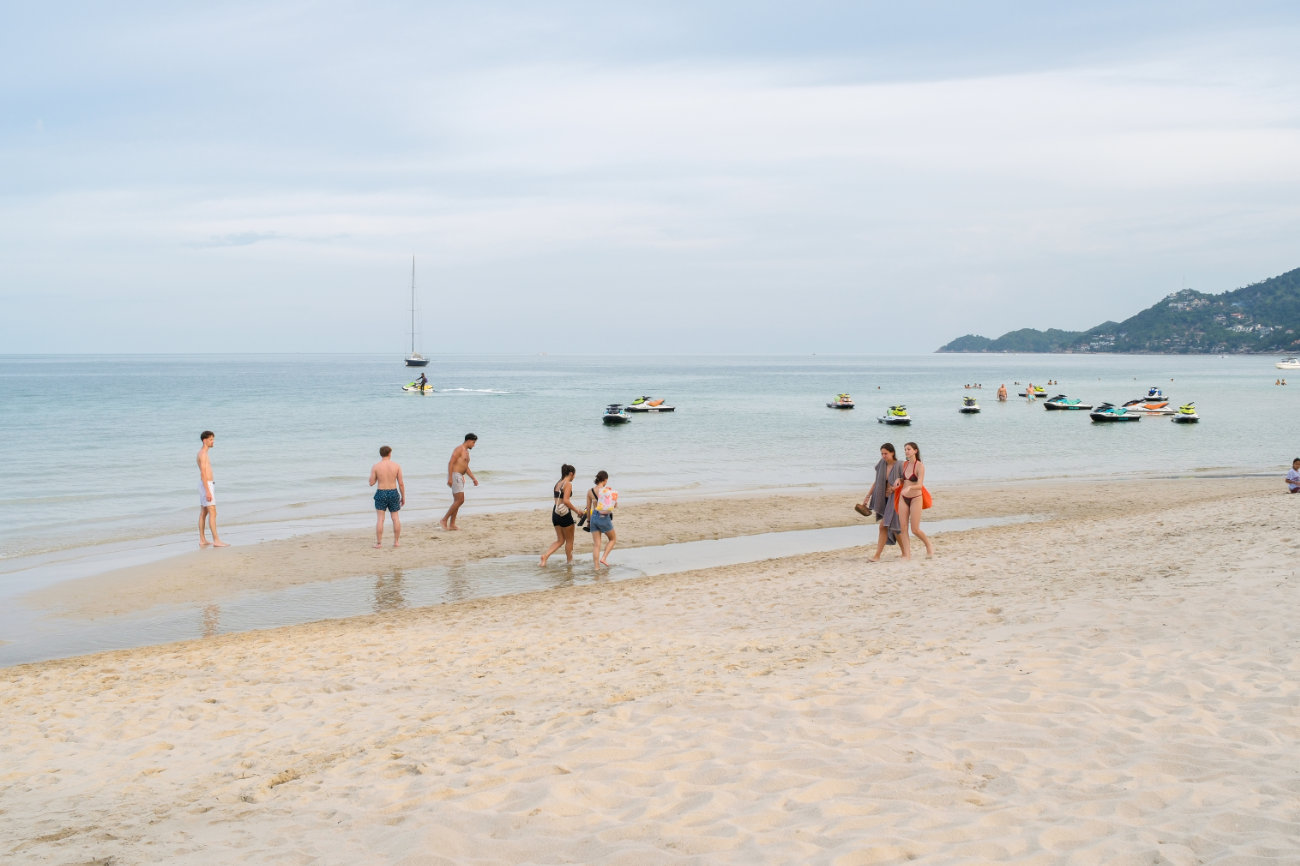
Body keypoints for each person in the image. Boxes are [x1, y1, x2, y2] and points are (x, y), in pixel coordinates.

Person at [861, 443, 903, 562]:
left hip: (896, 499)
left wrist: (895, 488)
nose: (883, 456)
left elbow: (906, 481)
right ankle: (905, 553)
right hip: (885, 500)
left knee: (883, 526)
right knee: (894, 527)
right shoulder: (882, 464)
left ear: (892, 453)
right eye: (882, 454)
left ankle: (877, 556)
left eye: (886, 453)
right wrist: (867, 496)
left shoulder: (900, 465)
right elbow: (877, 482)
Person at [895, 441, 934, 560]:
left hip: (916, 498)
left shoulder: (920, 466)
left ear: (915, 451)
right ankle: (907, 554)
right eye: (905, 449)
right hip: (903, 498)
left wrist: (910, 488)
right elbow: (904, 479)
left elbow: (919, 485)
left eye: (909, 449)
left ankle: (928, 545)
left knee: (915, 529)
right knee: (903, 528)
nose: (906, 451)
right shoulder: (904, 464)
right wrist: (899, 480)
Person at [540, 464, 579, 565]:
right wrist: (577, 511)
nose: (574, 477)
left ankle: (545, 556)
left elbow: (559, 499)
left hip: (555, 512)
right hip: (564, 513)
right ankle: (570, 563)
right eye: (574, 475)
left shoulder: (558, 483)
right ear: (571, 473)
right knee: (569, 541)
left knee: (560, 540)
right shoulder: (568, 484)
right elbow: (566, 501)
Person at [196, 430, 229, 548]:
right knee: (213, 512)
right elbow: (203, 474)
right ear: (205, 440)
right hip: (206, 485)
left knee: (204, 512)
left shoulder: (202, 453)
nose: (212, 441)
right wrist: (208, 490)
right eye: (211, 439)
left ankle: (202, 540)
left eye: (213, 439)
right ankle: (216, 540)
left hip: (204, 485)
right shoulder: (203, 454)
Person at [368, 445, 406, 548]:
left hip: (381, 492)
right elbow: (401, 483)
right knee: (395, 518)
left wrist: (376, 476)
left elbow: (371, 483)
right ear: (390, 453)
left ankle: (379, 543)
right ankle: (396, 542)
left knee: (380, 519)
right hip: (393, 492)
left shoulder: (376, 466)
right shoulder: (396, 466)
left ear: (381, 454)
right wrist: (403, 497)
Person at [440, 433, 478, 530]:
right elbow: (451, 463)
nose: (474, 445)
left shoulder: (466, 452)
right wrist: (450, 478)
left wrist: (473, 478)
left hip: (460, 476)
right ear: (468, 440)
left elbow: (466, 467)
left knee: (457, 501)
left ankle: (452, 524)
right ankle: (444, 520)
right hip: (455, 476)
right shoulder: (459, 449)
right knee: (460, 500)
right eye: (473, 442)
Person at [585, 470, 617, 568]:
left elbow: (588, 508)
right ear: (605, 480)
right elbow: (614, 505)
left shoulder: (589, 491)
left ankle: (596, 567)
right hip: (603, 517)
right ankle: (603, 558)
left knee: (596, 544)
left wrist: (589, 522)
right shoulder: (606, 491)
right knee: (612, 539)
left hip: (594, 516)